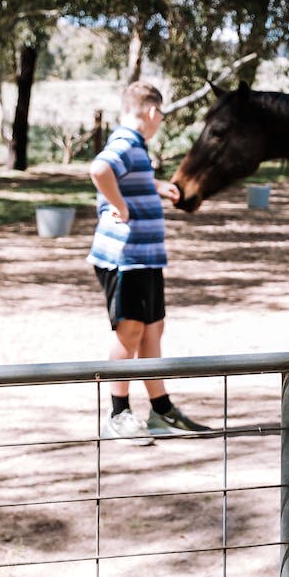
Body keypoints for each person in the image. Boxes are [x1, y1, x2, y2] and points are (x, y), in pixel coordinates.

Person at [88, 80, 213, 443]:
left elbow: (121, 175)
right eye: (162, 117)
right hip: (126, 259)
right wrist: (120, 206)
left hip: (145, 257)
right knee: (130, 333)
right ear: (153, 112)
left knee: (152, 328)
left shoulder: (136, 146)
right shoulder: (127, 142)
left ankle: (161, 410)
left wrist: (153, 186)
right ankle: (118, 413)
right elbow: (100, 170)